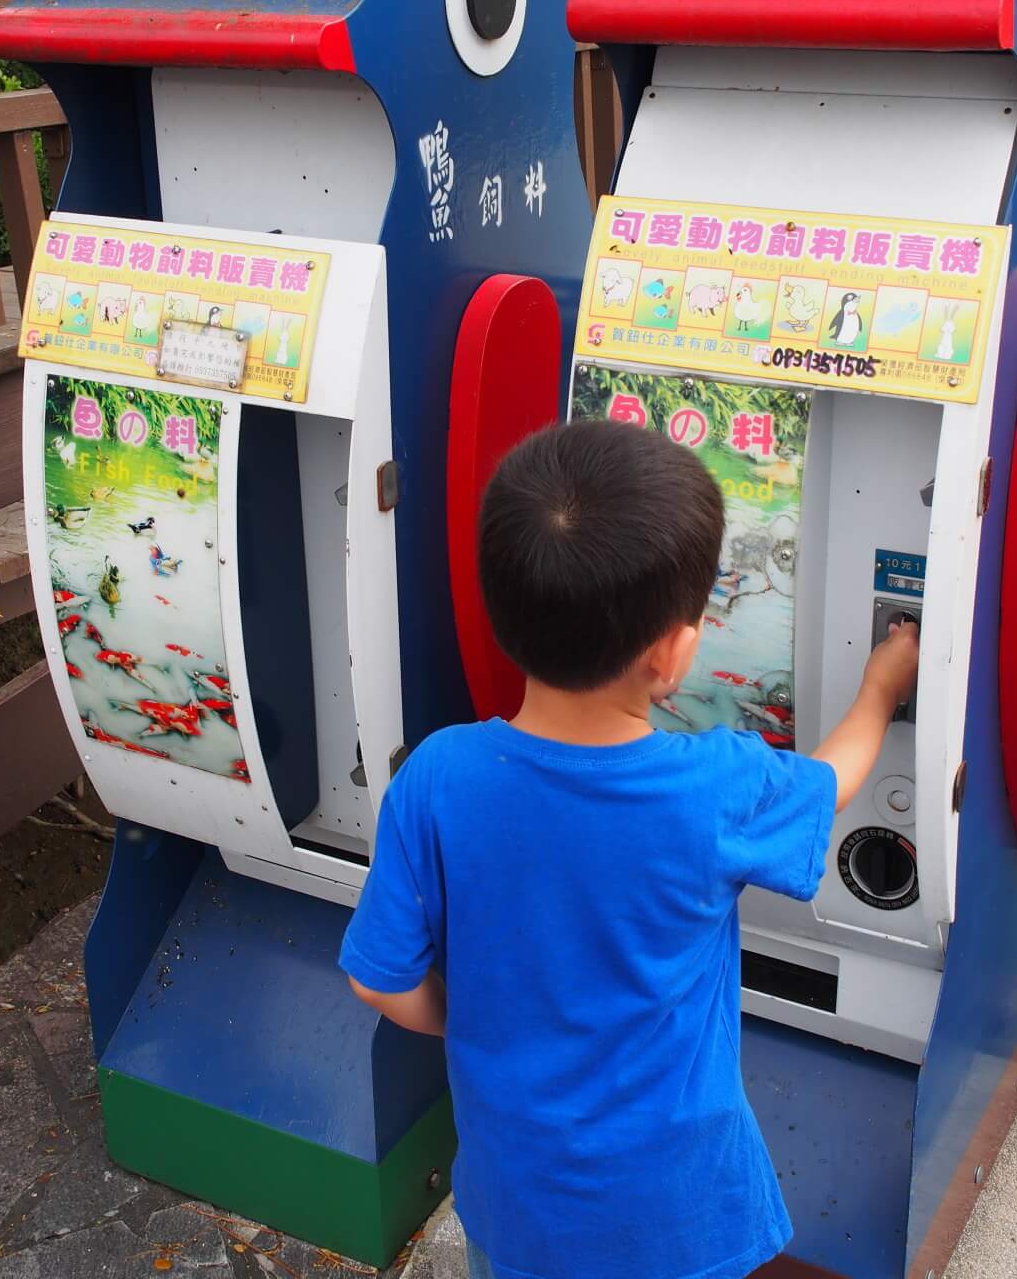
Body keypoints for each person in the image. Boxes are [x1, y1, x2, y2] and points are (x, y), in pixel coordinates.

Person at [339, 419, 920, 1279]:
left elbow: (378, 979)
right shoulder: (713, 787)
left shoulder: (436, 776)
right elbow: (831, 779)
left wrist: (482, 1021)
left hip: (517, 1205)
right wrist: (881, 685)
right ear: (673, 652)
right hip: (676, 1219)